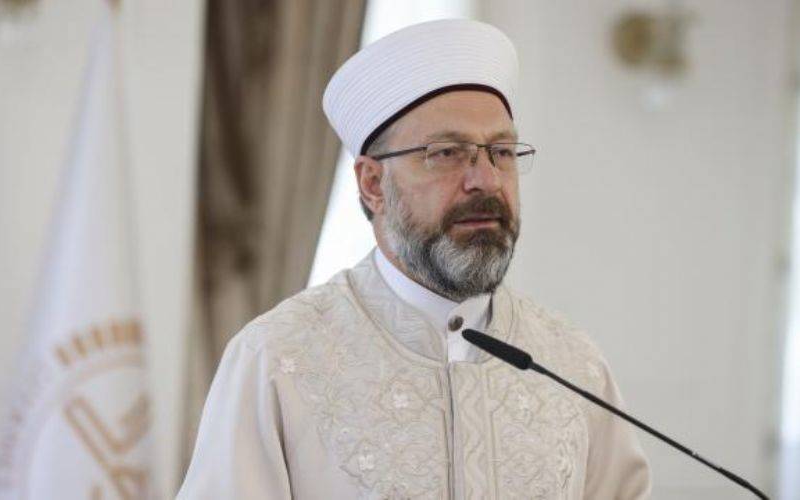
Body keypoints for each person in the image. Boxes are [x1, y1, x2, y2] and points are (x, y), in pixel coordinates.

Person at [178, 19, 651, 499]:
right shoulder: (277, 359)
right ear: (372, 184)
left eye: (502, 152)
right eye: (447, 153)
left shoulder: (573, 364)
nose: (487, 180)